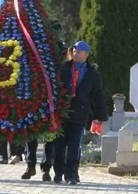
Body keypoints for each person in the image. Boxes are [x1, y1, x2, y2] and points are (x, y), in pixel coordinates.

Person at [53, 41, 108, 185]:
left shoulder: (92, 74)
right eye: (75, 51)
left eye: (80, 51)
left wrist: (100, 116)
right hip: (62, 112)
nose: (76, 53)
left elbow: (98, 96)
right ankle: (58, 172)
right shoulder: (63, 68)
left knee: (74, 145)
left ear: (87, 54)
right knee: (59, 144)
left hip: (80, 113)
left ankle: (70, 174)